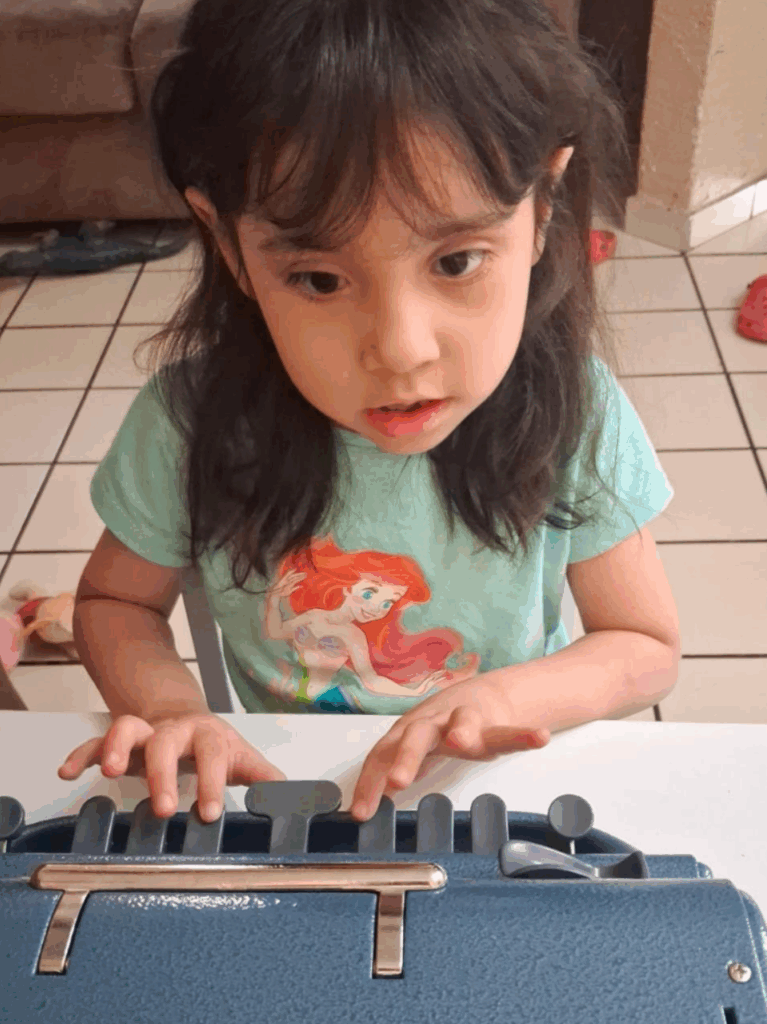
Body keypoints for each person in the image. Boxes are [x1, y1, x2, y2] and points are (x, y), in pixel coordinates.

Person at [59, 0, 680, 827]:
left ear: (542, 211)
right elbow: (114, 605)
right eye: (319, 279)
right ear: (230, 245)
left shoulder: (577, 410)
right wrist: (174, 708)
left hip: (481, 797)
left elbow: (644, 647)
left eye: (457, 260)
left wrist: (507, 698)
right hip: (275, 800)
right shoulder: (189, 421)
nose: (399, 350)